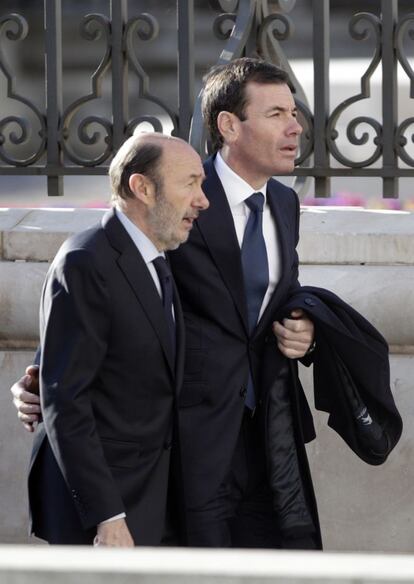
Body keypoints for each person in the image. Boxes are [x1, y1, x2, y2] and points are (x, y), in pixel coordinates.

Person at [11, 58, 402, 549]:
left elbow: (269, 303)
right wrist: (40, 378)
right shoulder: (179, 196)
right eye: (277, 113)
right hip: (190, 445)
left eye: (294, 113)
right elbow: (119, 278)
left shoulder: (284, 204)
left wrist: (307, 330)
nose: (296, 127)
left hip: (269, 433)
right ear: (228, 125)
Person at [17, 131, 209, 546]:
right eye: (190, 183)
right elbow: (66, 399)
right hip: (102, 515)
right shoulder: (86, 261)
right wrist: (108, 516)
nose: (202, 199)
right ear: (141, 187)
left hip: (152, 501)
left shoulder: (160, 258)